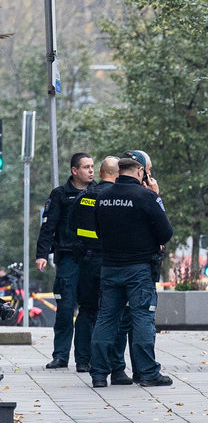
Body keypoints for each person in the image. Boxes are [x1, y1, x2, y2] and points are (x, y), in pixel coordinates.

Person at [89, 157, 174, 388]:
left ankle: (98, 374)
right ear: (139, 171)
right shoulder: (146, 197)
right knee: (143, 318)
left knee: (106, 319)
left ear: (119, 172)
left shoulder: (102, 197)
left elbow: (97, 230)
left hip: (110, 266)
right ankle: (147, 373)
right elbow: (166, 232)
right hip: (138, 269)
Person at [36, 152, 95, 370]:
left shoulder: (98, 192)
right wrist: (41, 254)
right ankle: (60, 356)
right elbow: (48, 227)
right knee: (65, 308)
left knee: (88, 310)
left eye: (92, 166)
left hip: (92, 260)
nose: (90, 170)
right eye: (86, 167)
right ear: (74, 170)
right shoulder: (60, 194)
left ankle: (84, 358)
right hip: (68, 258)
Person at [71, 156, 129, 374]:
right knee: (109, 312)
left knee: (86, 310)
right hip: (109, 261)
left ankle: (82, 360)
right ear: (117, 174)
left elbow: (72, 225)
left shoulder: (84, 196)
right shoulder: (114, 198)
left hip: (86, 261)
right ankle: (105, 362)